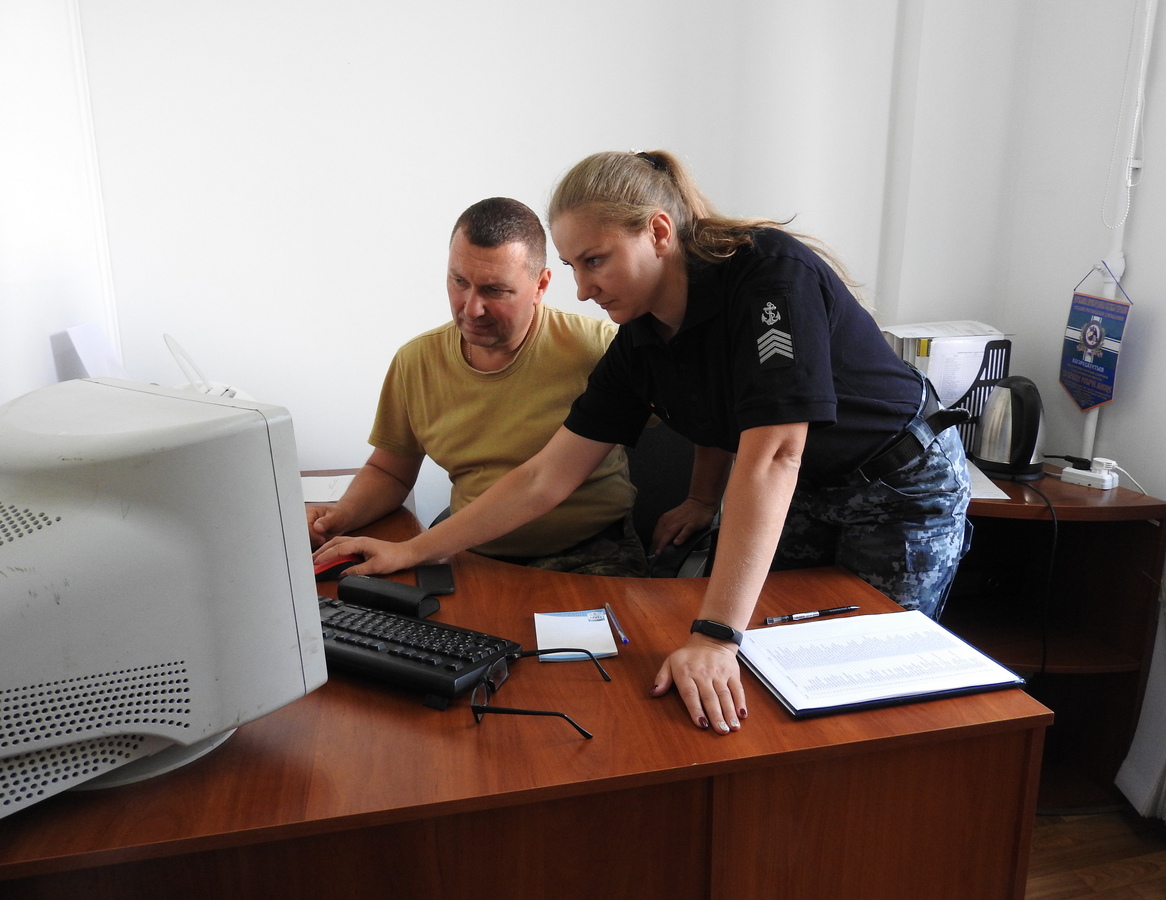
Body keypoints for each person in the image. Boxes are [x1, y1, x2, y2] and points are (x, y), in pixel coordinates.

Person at [313, 152, 971, 735]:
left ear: (657, 232)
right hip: (807, 489)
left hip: (899, 482)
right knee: (770, 672)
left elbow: (774, 452)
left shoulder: (770, 275)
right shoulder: (639, 344)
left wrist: (714, 635)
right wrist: (414, 549)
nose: (582, 289)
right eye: (572, 266)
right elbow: (547, 476)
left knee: (865, 685)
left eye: (595, 261)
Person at [308, 197, 647, 577]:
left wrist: (696, 499)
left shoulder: (600, 349)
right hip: (467, 551)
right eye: (459, 282)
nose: (471, 308)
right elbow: (391, 472)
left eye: (494, 290)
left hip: (593, 553)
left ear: (540, 285)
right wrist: (339, 517)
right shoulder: (416, 362)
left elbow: (693, 415)